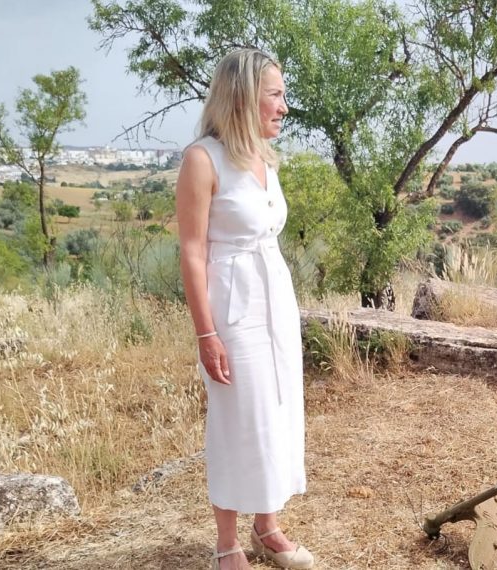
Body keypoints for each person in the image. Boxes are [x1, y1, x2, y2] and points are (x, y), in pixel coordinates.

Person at [176, 48, 313, 570]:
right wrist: (205, 334)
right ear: (243, 97)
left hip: (275, 297)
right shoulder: (202, 159)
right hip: (231, 306)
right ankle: (226, 544)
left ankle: (268, 526)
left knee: (277, 410)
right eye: (275, 95)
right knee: (238, 417)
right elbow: (192, 252)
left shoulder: (262, 157)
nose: (284, 106)